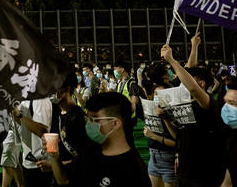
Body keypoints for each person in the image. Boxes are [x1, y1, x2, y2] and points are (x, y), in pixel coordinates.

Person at [47, 92, 151, 186]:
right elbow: (64, 180)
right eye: (88, 119)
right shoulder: (90, 152)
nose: (89, 124)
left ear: (115, 123)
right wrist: (54, 157)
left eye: (94, 120)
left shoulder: (133, 169)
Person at [161, 44, 229, 187]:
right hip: (184, 173)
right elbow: (179, 137)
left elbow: (193, 88)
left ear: (202, 84)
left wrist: (172, 60)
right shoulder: (186, 107)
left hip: (204, 176)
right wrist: (166, 120)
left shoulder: (209, 105)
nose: (183, 84)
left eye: (187, 80)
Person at [143, 61, 177, 187]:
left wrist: (154, 135)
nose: (158, 99)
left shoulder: (173, 114)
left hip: (168, 158)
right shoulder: (154, 107)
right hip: (153, 157)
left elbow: (177, 142)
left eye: (161, 96)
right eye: (156, 96)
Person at [16, 97, 53, 187]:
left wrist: (19, 115)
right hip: (29, 159)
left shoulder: (41, 100)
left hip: (40, 164)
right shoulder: (25, 98)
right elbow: (22, 123)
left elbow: (43, 131)